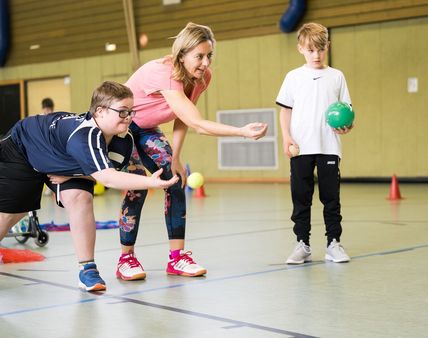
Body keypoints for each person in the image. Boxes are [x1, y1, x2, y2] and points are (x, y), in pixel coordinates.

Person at [116, 22, 268, 281]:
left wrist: (175, 156)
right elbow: (198, 123)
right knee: (138, 187)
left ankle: (177, 258)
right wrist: (242, 132)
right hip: (122, 128)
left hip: (149, 128)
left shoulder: (201, 78)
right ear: (182, 54)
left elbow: (183, 117)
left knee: (174, 181)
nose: (206, 62)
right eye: (199, 56)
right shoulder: (163, 73)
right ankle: (125, 259)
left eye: (209, 56)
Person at [0, 81, 179, 291]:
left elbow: (103, 174)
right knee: (11, 215)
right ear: (100, 111)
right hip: (24, 149)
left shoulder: (123, 140)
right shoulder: (86, 136)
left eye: (131, 111)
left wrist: (70, 174)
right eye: (122, 112)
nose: (129, 117)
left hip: (62, 158)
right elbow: (109, 179)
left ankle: (88, 270)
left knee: (80, 198)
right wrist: (151, 182)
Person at [275, 22, 353, 265]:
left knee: (331, 198)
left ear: (327, 47)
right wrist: (286, 137)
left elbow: (347, 112)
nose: (316, 55)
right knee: (301, 197)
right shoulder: (293, 77)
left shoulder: (337, 76)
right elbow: (285, 111)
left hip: (329, 147)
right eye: (310, 50)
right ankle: (302, 244)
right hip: (301, 148)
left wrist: (347, 126)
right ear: (301, 49)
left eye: (320, 49)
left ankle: (333, 244)